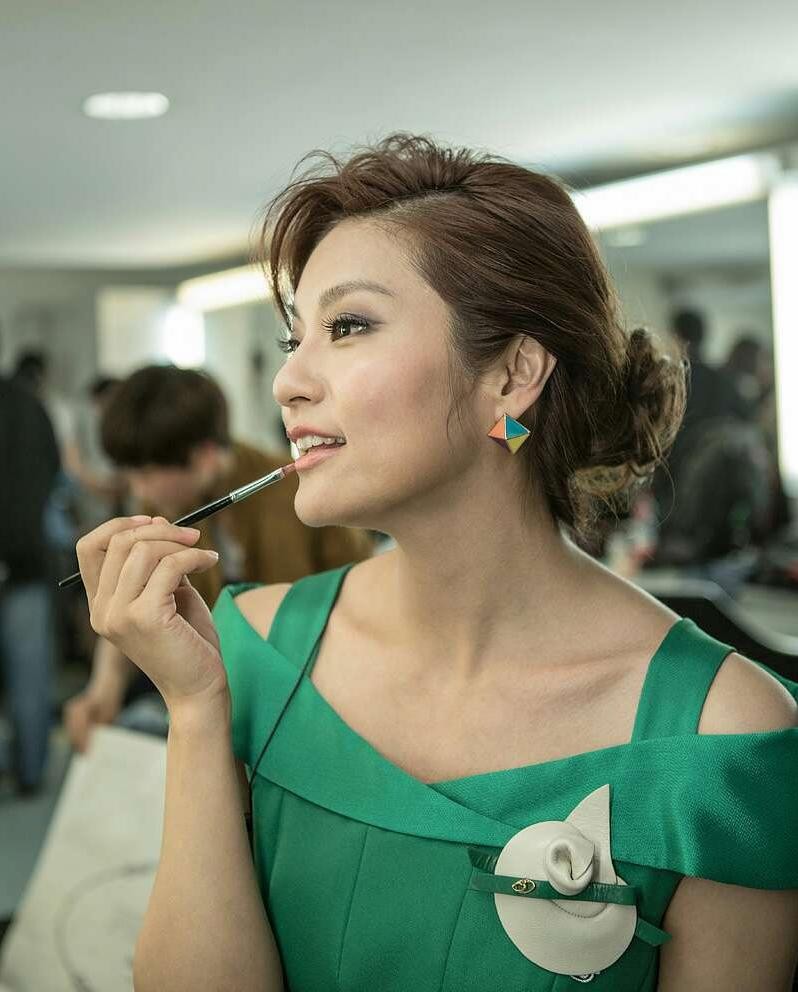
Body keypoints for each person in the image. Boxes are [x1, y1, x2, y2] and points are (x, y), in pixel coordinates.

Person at [74, 135, 798, 991]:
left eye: (348, 326)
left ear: (513, 374)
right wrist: (196, 712)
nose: (288, 382)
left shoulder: (722, 739)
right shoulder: (249, 653)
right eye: (294, 338)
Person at [64, 364, 375, 753]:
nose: (138, 490)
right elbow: (136, 589)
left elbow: (362, 587)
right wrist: (103, 688)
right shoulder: (164, 504)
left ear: (205, 456)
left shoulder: (296, 494)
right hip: (221, 698)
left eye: (146, 473)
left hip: (311, 699)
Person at [0, 336, 60, 795]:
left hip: (21, 561)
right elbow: (53, 471)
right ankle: (31, 773)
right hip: (25, 562)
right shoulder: (29, 406)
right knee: (30, 677)